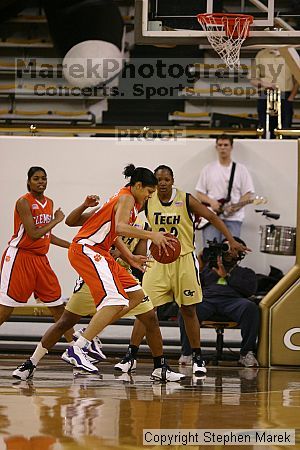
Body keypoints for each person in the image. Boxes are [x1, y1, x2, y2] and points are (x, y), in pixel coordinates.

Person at [13, 165, 185, 383]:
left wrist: (131, 259)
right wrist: (154, 235)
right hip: (88, 251)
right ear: (138, 186)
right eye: (149, 192)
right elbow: (120, 228)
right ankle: (79, 346)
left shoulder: (128, 204)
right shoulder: (127, 200)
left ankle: (155, 365)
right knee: (105, 305)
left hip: (103, 256)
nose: (151, 196)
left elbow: (114, 234)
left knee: (136, 297)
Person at [114, 165, 249, 377]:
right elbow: (126, 222)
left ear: (173, 179)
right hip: (157, 262)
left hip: (183, 260)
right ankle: (131, 355)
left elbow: (212, 217)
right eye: (159, 179)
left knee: (188, 311)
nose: (163, 183)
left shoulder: (185, 199)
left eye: (167, 179)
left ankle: (197, 357)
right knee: (145, 309)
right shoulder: (148, 200)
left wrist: (230, 239)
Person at [0, 166, 72, 339]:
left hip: (40, 260)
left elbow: (46, 236)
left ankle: (75, 350)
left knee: (57, 306)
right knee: (6, 309)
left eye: (44, 178)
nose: (41, 182)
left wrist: (72, 245)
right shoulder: (23, 202)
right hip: (20, 257)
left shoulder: (49, 202)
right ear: (28, 181)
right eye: (36, 178)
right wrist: (56, 220)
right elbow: (33, 234)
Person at [178, 237, 259, 368]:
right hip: (207, 300)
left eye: (233, 249)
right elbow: (194, 283)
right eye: (226, 248)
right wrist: (205, 263)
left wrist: (226, 276)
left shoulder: (246, 272)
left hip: (233, 302)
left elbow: (249, 290)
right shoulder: (209, 269)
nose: (228, 252)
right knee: (186, 308)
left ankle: (246, 353)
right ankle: (188, 353)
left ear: (240, 254)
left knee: (250, 307)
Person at [195, 134, 255, 245]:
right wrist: (212, 202)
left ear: (231, 147)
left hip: (233, 218)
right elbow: (199, 193)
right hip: (211, 217)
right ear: (216, 147)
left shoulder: (241, 170)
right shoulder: (208, 169)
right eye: (220, 145)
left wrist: (236, 206)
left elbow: (248, 193)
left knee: (230, 254)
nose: (223, 148)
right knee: (210, 251)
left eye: (226, 145)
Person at [250, 48, 299, 138]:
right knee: (265, 128)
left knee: (285, 129)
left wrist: (291, 98)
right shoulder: (261, 54)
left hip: (286, 96)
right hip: (265, 95)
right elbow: (253, 79)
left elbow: (298, 78)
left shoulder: (290, 54)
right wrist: (264, 84)